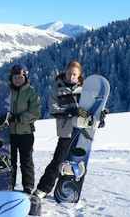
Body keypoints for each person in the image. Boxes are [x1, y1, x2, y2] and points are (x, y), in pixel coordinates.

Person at [33, 61, 89, 199]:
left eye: (74, 74)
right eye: (69, 73)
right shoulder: (58, 87)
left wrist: (101, 114)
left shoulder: (85, 89)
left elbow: (92, 108)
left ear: (79, 74)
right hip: (66, 132)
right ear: (65, 72)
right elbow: (53, 109)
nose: (71, 77)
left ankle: (69, 189)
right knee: (58, 161)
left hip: (83, 132)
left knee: (78, 163)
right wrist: (69, 111)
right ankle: (43, 189)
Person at [7, 63, 42, 194]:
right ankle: (9, 184)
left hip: (25, 132)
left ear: (25, 78)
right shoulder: (6, 92)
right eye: (14, 77)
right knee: (11, 160)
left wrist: (20, 118)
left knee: (26, 160)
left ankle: (28, 186)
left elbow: (36, 111)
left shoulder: (30, 93)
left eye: (20, 77)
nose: (17, 80)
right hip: (9, 132)